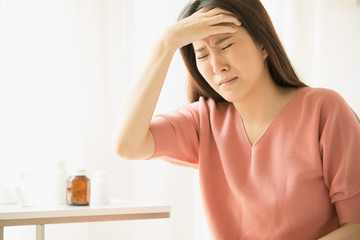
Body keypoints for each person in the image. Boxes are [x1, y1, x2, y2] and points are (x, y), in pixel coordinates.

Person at [115, 0, 360, 239]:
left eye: (225, 45)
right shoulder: (204, 121)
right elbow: (128, 145)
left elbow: (356, 227)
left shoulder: (324, 109)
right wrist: (166, 43)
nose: (217, 65)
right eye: (202, 55)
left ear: (263, 44)